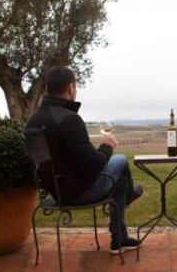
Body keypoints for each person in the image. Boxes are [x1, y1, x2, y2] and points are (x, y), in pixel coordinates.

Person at [26, 66, 143, 254]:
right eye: (75, 87)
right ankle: (128, 199)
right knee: (120, 160)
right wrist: (108, 146)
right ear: (70, 88)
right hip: (79, 193)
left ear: (48, 89)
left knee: (120, 181)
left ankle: (120, 238)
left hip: (56, 193)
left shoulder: (33, 121)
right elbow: (93, 165)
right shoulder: (69, 119)